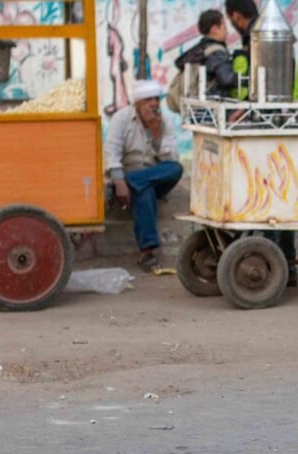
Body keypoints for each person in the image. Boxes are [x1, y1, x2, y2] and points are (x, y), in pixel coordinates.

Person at [224, 0, 298, 284]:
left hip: (264, 130)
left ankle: (275, 266)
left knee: (268, 200)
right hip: (278, 125)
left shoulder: (257, 38)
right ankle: (287, 266)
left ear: (236, 16)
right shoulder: (273, 33)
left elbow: (256, 89)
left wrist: (243, 109)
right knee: (282, 199)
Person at [104, 79, 183, 273]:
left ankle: (134, 182)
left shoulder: (164, 121)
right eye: (149, 100)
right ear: (138, 103)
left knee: (176, 168)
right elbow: (111, 152)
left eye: (156, 99)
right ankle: (147, 252)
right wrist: (119, 180)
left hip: (152, 176)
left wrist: (156, 133)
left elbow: (170, 157)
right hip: (126, 176)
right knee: (144, 192)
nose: (154, 104)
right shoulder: (121, 118)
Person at [173, 9, 237, 99]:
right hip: (212, 105)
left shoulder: (200, 49)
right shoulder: (216, 52)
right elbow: (227, 79)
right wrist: (245, 79)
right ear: (214, 30)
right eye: (224, 28)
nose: (227, 32)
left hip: (196, 104)